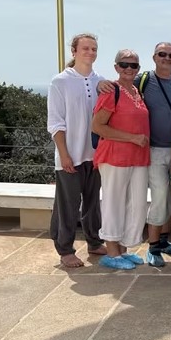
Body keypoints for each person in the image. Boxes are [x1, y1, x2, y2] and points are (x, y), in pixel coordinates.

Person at [47, 33, 107, 268]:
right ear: (74, 51)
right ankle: (65, 249)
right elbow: (55, 122)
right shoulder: (60, 81)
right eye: (86, 48)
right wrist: (64, 154)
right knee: (68, 205)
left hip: (95, 154)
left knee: (93, 203)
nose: (90, 52)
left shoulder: (100, 81)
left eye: (94, 49)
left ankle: (94, 241)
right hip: (70, 154)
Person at [91, 50, 150, 270]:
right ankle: (112, 253)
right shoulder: (111, 91)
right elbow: (97, 126)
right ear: (116, 67)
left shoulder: (136, 92)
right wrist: (132, 138)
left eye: (133, 65)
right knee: (113, 203)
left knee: (135, 204)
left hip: (138, 157)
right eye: (124, 64)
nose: (128, 69)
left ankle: (124, 249)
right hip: (115, 156)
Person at [133, 42, 171, 267]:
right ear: (154, 57)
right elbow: (120, 89)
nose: (167, 58)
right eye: (162, 54)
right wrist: (101, 85)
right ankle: (153, 247)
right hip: (153, 150)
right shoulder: (143, 80)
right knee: (159, 197)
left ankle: (163, 241)